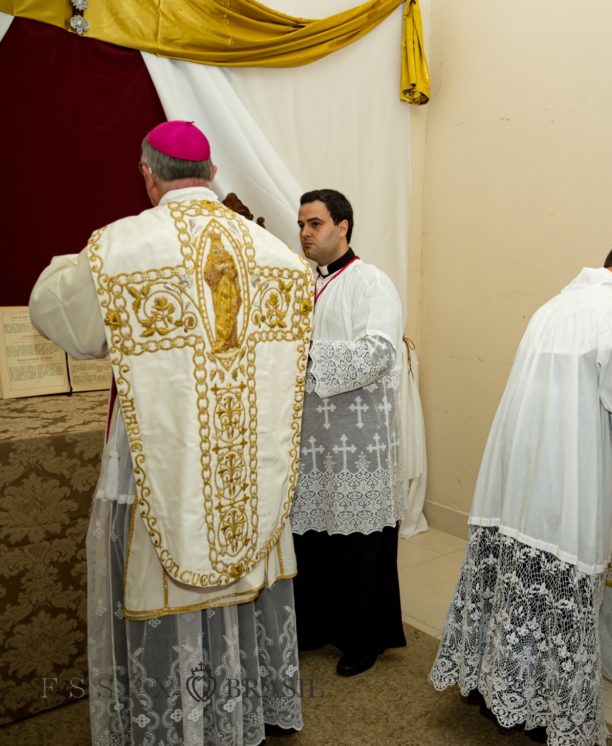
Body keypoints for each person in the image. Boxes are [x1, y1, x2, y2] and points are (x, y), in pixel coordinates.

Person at [28, 120, 314, 744]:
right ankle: (238, 710)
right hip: (242, 456)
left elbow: (57, 312)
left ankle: (175, 720)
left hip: (160, 451)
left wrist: (66, 265)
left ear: (148, 175)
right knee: (237, 579)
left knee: (164, 568)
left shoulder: (118, 247)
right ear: (213, 174)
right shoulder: (278, 255)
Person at [429, 236, 612, 745]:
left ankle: (495, 687)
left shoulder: (554, 306)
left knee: (517, 590)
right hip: (566, 481)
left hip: (522, 473)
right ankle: (545, 708)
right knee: (556, 594)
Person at [290, 188, 407, 676]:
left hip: (359, 440)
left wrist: (300, 356)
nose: (305, 233)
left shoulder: (371, 282)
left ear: (342, 227)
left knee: (358, 545)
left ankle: (364, 639)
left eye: (315, 223)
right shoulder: (302, 284)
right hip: (313, 441)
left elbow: (379, 352)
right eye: (301, 224)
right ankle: (318, 626)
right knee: (314, 537)